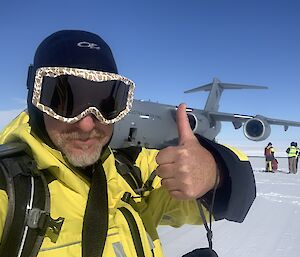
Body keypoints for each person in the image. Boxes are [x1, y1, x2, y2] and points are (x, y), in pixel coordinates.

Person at [0, 30, 256, 257]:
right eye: (65, 101)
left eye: (107, 104)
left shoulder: (133, 172)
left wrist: (216, 172)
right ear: (36, 100)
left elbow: (236, 200)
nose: (87, 124)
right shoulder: (9, 192)